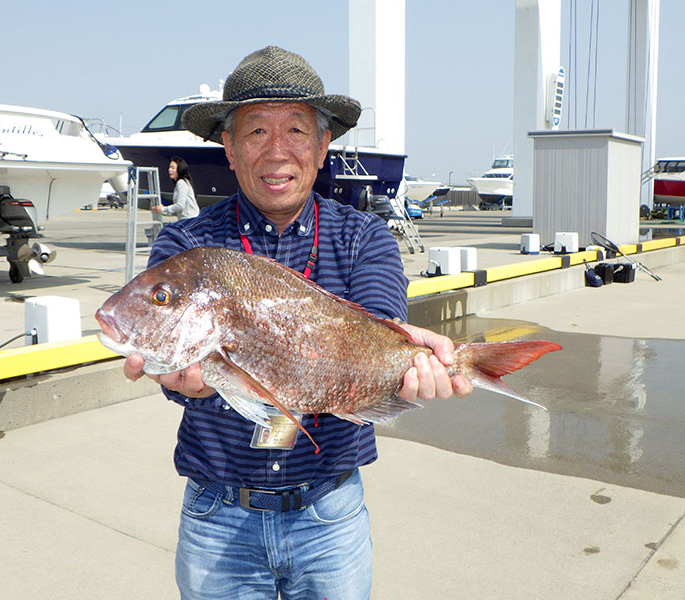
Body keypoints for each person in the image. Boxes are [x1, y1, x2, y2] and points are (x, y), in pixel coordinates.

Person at [123, 46, 472, 599]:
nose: (277, 150)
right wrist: (184, 383)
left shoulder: (364, 238)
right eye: (256, 131)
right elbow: (175, 364)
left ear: (322, 145)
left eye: (296, 130)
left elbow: (381, 323)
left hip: (330, 517)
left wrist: (409, 364)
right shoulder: (185, 246)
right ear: (229, 148)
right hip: (216, 518)